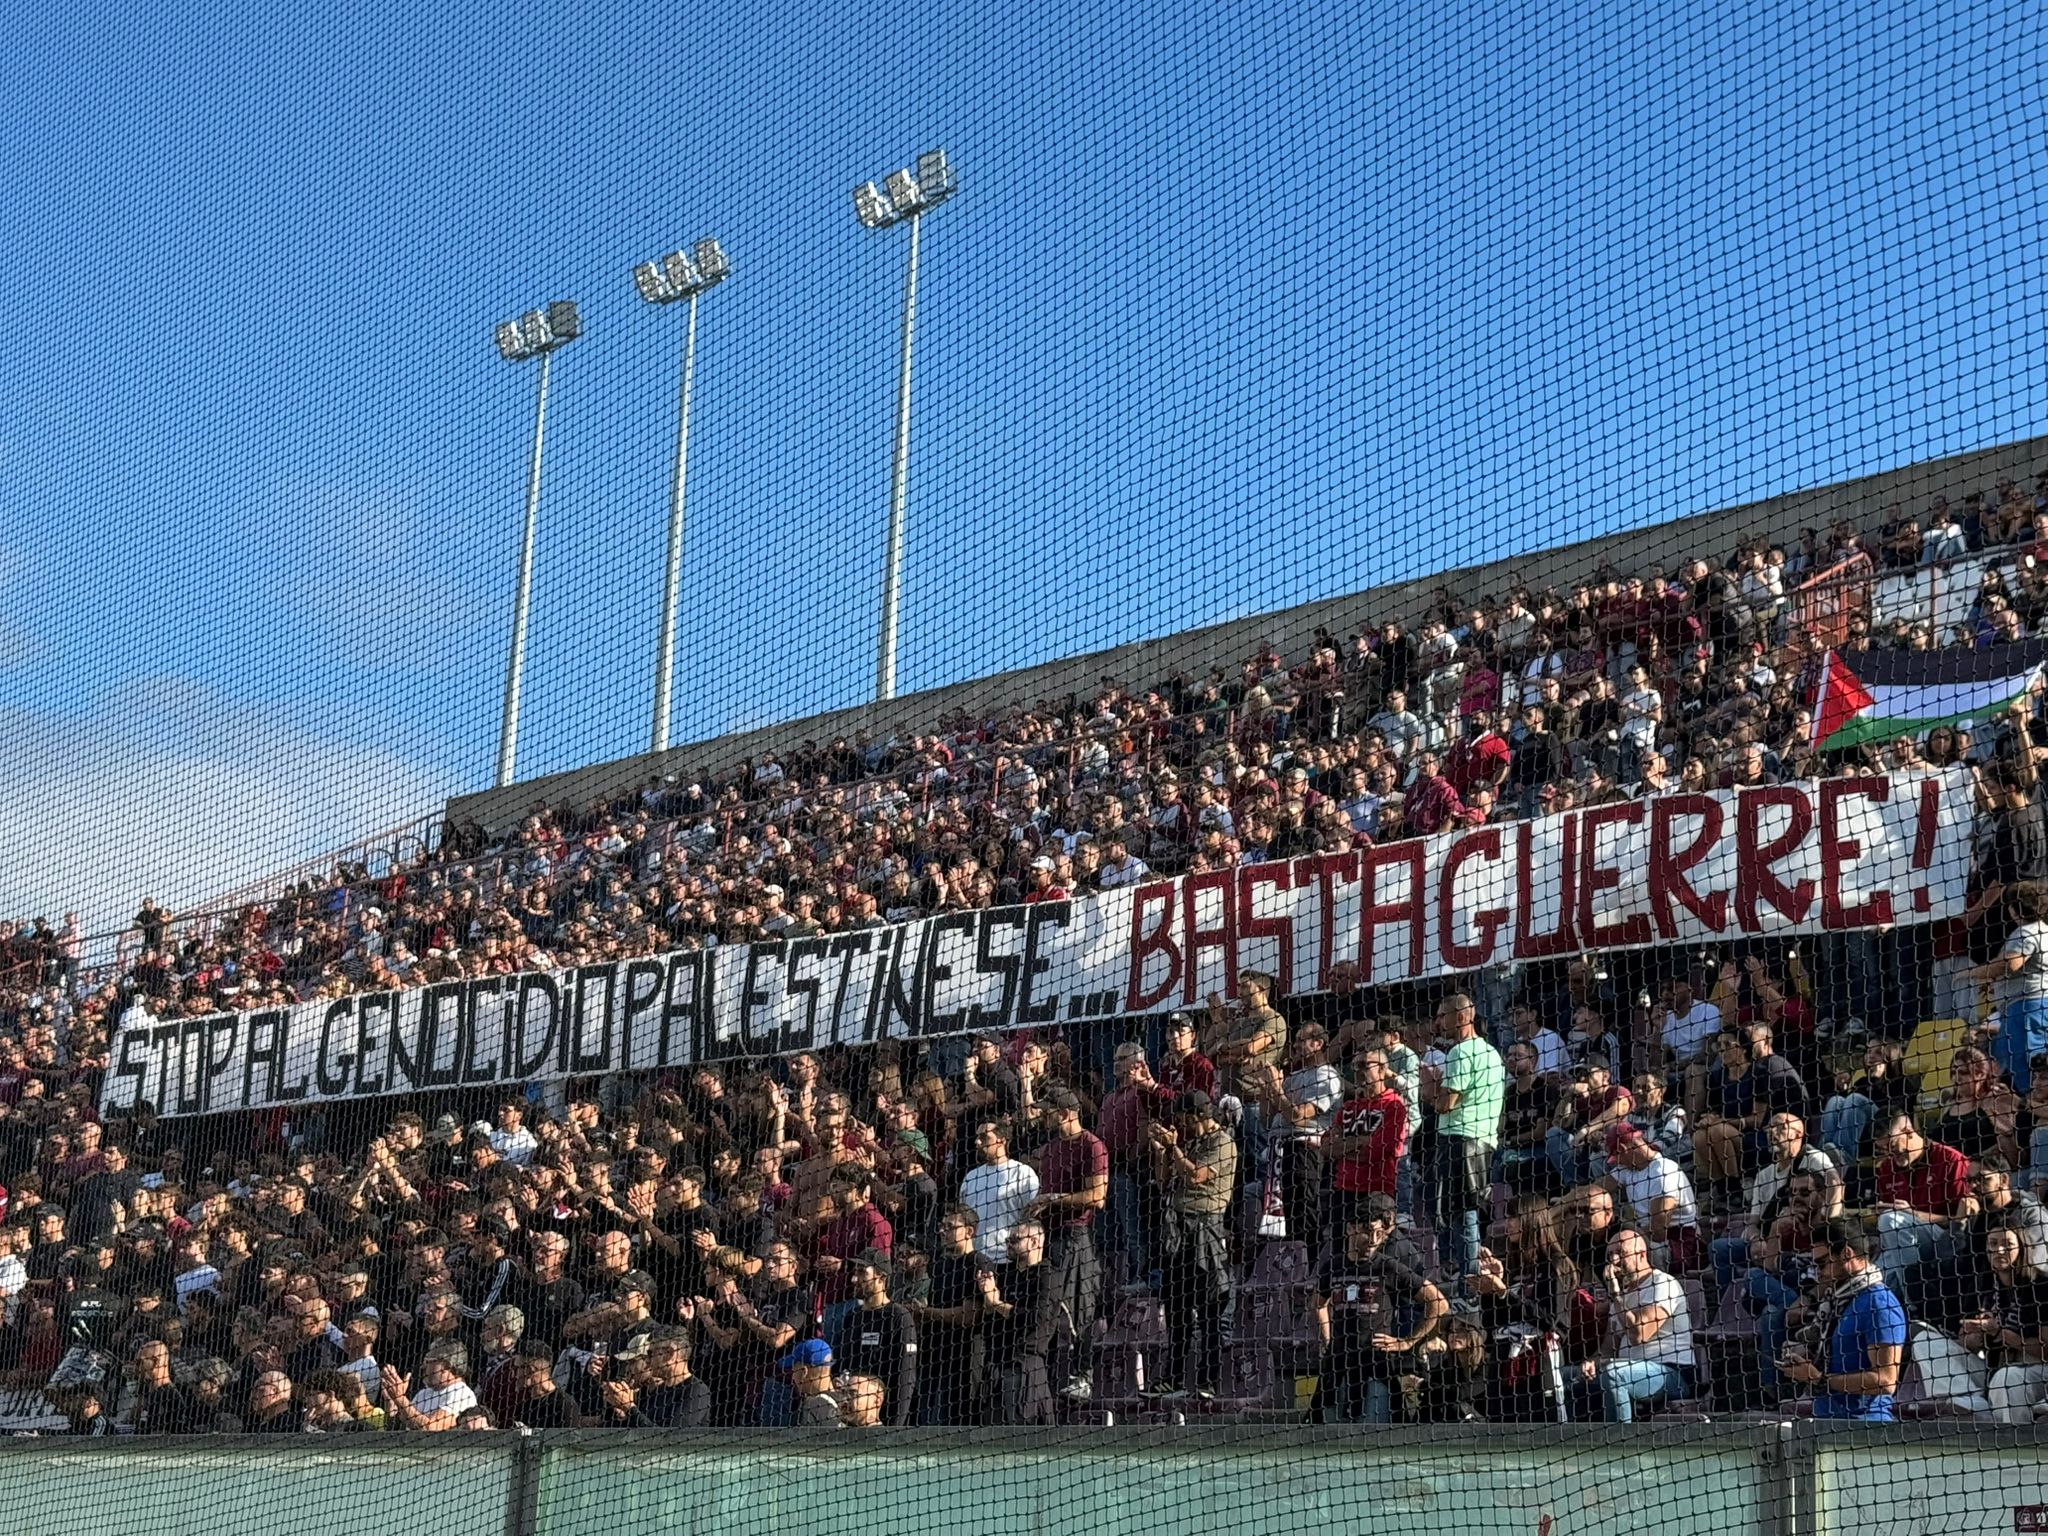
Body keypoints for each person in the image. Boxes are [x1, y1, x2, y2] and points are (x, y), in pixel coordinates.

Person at [1310, 1195, 1447, 1423]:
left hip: (1376, 1365)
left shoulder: (1388, 1267)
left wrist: (1407, 1342)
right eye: (1367, 1231)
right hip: (1337, 1368)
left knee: (1376, 1436)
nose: (1373, 1240)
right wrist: (1328, 1337)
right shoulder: (1333, 1267)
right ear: (1350, 1228)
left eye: (1379, 1233)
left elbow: (1439, 1302)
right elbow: (1318, 1303)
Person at [1148, 1092, 1235, 1398]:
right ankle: (1172, 1377)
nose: (1178, 1122)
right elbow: (1163, 1181)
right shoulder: (1190, 1143)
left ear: (1195, 1114)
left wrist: (1174, 1149)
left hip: (1205, 1230)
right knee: (1177, 1309)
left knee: (1210, 1307)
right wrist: (1162, 1152)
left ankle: (1207, 1381)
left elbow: (1197, 1176)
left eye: (1182, 1116)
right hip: (1177, 1229)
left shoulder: (1221, 1142)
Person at [1780, 1221, 1908, 1421]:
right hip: (1829, 1423)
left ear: (1847, 1253)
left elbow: (1886, 1381)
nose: (1818, 1273)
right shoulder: (1839, 1301)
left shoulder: (1879, 1304)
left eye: (1822, 1263)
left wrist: (1819, 1379)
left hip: (1864, 1429)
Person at [1581, 1229, 1693, 1423]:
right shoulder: (1621, 1297)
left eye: (1621, 1253)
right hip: (1627, 1369)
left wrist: (1615, 1296)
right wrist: (1591, 1363)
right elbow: (1608, 1348)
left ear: (1642, 1255)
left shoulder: (1662, 1283)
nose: (1613, 1260)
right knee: (1566, 1378)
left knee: (1615, 1375)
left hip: (1670, 1373)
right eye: (1610, 1255)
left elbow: (1639, 1335)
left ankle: (1620, 1445)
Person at [1429, 993, 1504, 1275]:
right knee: (1468, 1210)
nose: (1437, 1022)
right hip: (1484, 1139)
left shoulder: (1460, 1052)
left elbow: (1446, 1104)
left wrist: (1431, 1088)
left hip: (1460, 1139)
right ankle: (1466, 1276)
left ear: (1460, 1017)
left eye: (1441, 1016)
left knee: (1460, 1214)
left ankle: (1466, 1280)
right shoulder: (1492, 1054)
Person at [977, 1217, 1064, 1423]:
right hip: (997, 1365)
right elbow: (989, 1322)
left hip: (1025, 1368)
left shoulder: (1047, 1275)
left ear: (1034, 1242)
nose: (1008, 1244)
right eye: (1007, 1240)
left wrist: (998, 1304)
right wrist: (990, 1304)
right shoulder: (1006, 1274)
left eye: (1014, 1240)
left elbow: (1036, 1320)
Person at [1965, 1226, 2048, 1424]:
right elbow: (1964, 1335)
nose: (1999, 1250)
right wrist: (1971, 1339)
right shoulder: (1981, 1285)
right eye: (1993, 1244)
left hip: (2035, 1367)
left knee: (2008, 1379)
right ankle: (1971, 1404)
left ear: (2021, 1247)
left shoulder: (2041, 1285)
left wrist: (1999, 1332)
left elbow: (2046, 1350)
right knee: (1926, 1341)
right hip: (1990, 1365)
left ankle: (2019, 1444)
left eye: (2007, 1244)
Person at [831, 1250, 917, 1426]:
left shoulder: (898, 1317)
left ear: (881, 1277)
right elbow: (839, 1363)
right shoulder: (852, 1316)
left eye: (862, 1272)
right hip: (848, 1415)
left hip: (880, 1421)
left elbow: (905, 1377)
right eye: (855, 1272)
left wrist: (894, 1428)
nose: (855, 1279)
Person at [959, 1118, 1040, 1264]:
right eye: (977, 1137)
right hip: (973, 1260)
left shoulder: (1022, 1173)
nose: (977, 1142)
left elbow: (1032, 1218)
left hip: (1006, 1260)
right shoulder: (970, 1178)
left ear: (1001, 1140)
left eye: (984, 1137)